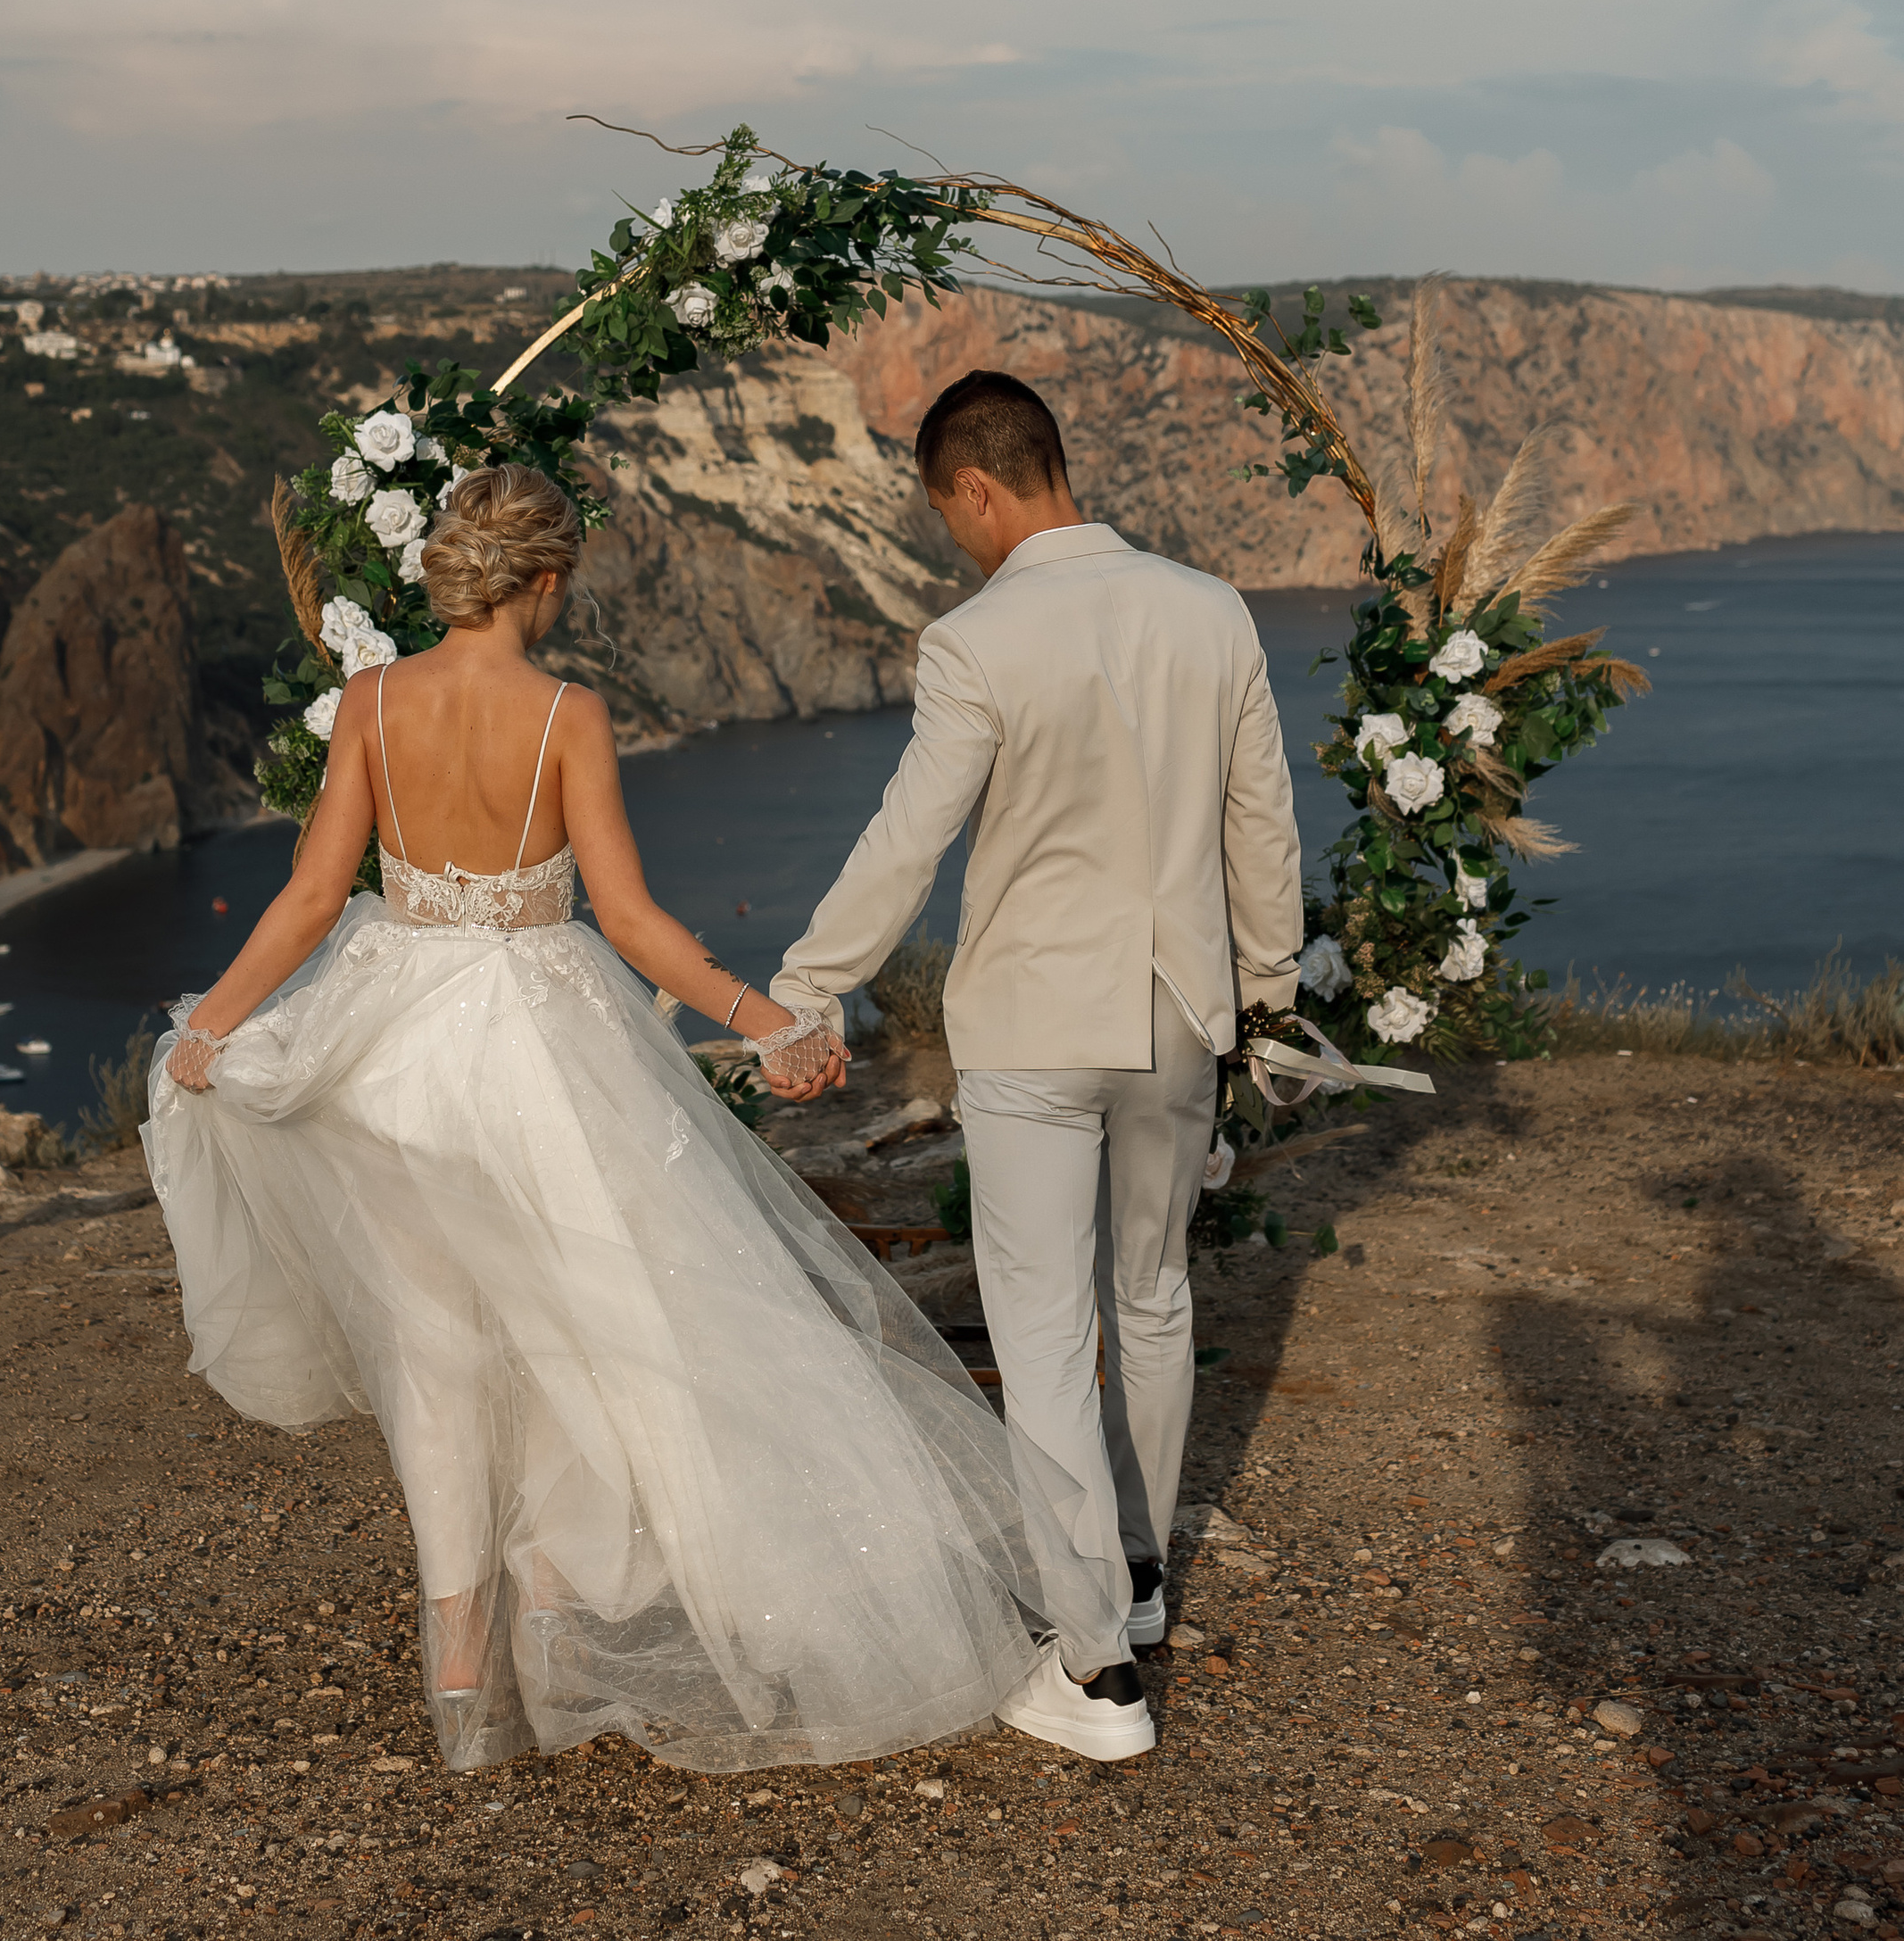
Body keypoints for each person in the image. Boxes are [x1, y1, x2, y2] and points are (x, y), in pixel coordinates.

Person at [142, 461, 1047, 1776]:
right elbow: (627, 922)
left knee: (437, 1361)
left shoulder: (374, 704)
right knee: (579, 1334)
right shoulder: (567, 713)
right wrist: (768, 1019)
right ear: (548, 580)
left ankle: (461, 1680)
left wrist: (210, 1027)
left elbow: (307, 896)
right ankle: (560, 1642)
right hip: (539, 1046)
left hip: (389, 1046)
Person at [768, 369, 1304, 1763]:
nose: (957, 536)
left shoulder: (977, 641)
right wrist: (1268, 989)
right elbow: (1264, 823)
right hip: (1182, 1012)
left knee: (1047, 1333)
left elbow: (908, 839)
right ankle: (1135, 1578)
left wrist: (809, 987)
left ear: (978, 489)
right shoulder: (1212, 609)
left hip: (1033, 1028)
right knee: (1155, 1294)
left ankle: (1098, 1678)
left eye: (951, 512)